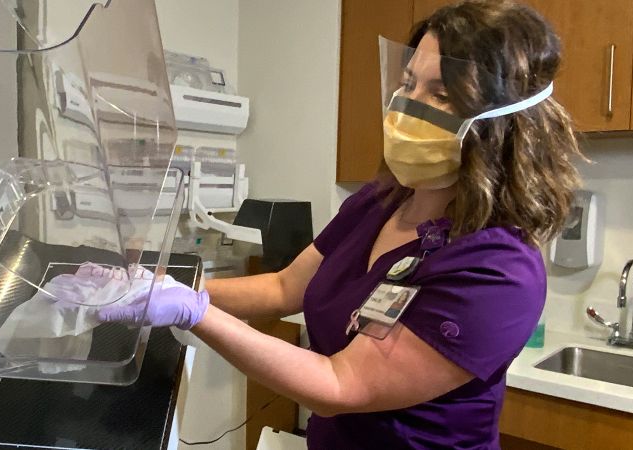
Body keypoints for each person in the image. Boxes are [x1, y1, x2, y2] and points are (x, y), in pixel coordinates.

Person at [97, 1, 585, 448]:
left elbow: (340, 385)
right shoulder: (379, 202)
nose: (408, 105)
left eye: (441, 94)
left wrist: (192, 312)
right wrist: (165, 286)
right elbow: (284, 288)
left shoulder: (497, 269)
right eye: (408, 83)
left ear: (502, 122)